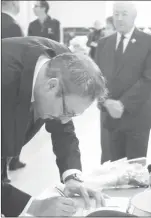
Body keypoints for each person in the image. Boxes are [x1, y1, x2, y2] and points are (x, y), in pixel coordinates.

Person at [1, 36, 107, 217]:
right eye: (67, 111)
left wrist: (72, 177)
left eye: (74, 115)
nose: (66, 120)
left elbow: (64, 127)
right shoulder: (5, 81)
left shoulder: (64, 62)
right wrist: (33, 206)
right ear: (51, 86)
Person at [95, 1, 151, 163]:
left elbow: (149, 78)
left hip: (137, 116)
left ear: (134, 15)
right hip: (110, 117)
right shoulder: (104, 44)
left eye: (124, 13)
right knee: (112, 170)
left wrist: (122, 104)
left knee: (135, 171)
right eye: (116, 13)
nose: (119, 18)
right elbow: (96, 78)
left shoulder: (149, 42)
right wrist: (105, 101)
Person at [1, 0, 26, 182]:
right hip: (6, 87)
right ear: (14, 4)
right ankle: (3, 175)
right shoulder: (12, 27)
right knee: (5, 131)